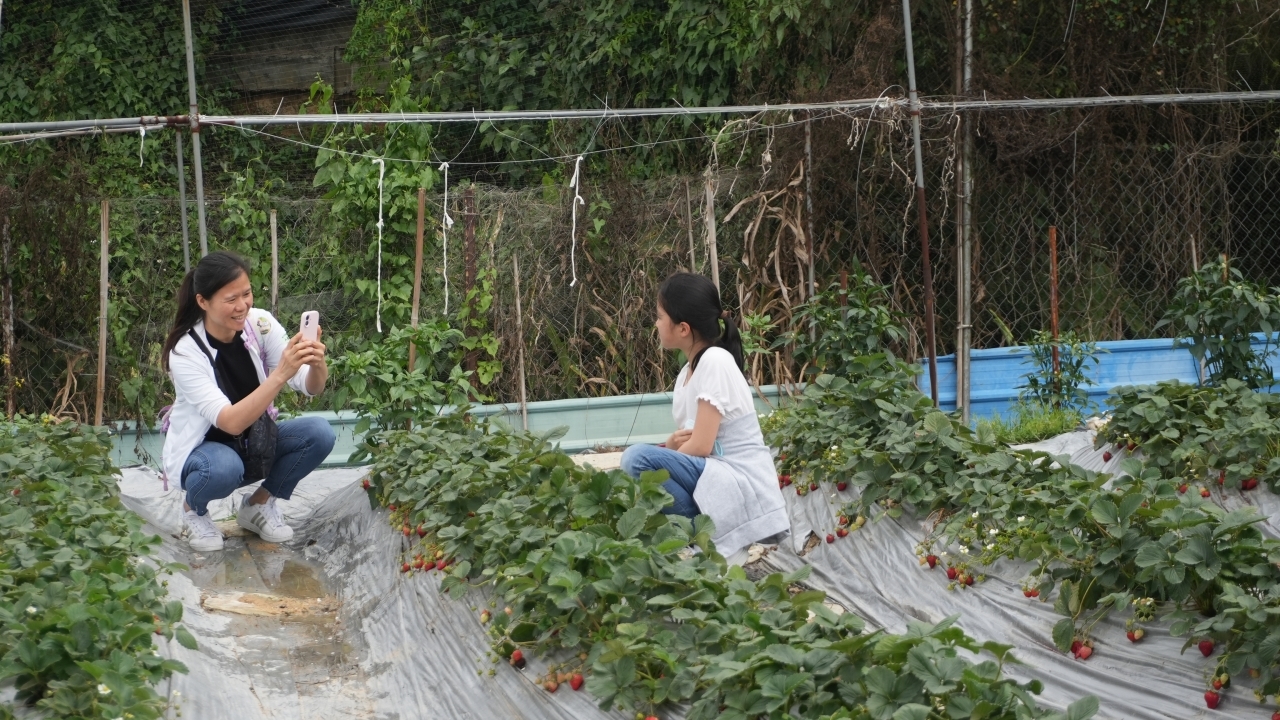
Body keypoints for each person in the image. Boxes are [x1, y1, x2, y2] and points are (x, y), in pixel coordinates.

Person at [160, 251, 335, 552]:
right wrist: (280, 374)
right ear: (203, 301)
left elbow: (310, 387)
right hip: (206, 452)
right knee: (223, 468)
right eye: (231, 299)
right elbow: (229, 421)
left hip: (253, 441)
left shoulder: (259, 324)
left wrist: (316, 362)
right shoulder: (185, 352)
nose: (242, 306)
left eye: (246, 294)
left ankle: (258, 505)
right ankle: (193, 510)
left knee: (319, 434)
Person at [620, 272, 789, 559]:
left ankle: (708, 540)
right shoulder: (687, 373)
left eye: (660, 317)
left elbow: (700, 446)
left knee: (636, 459)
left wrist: (668, 453)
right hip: (715, 475)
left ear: (683, 328)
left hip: (737, 478)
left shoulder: (715, 360)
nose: (656, 324)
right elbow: (692, 442)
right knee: (643, 470)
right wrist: (670, 446)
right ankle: (706, 547)